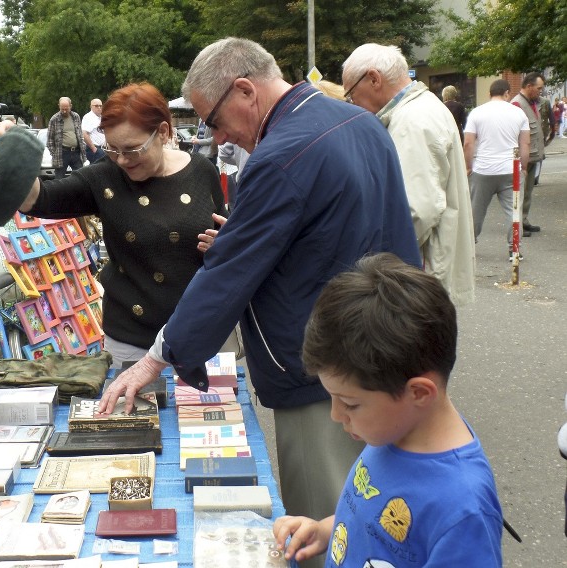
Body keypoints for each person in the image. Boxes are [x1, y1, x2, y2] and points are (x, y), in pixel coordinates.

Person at [97, 39, 420, 568]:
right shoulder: (359, 122)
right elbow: (367, 230)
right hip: (387, 352)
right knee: (380, 507)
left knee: (327, 525)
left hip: (322, 370)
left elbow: (228, 276)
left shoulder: (280, 154)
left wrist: (157, 359)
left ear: (244, 89)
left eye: (216, 121)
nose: (219, 137)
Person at [272, 253, 503, 567]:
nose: (336, 415)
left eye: (350, 404)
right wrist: (325, 530)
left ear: (418, 393)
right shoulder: (395, 429)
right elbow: (373, 511)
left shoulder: (462, 511)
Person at [0, 83, 225, 368]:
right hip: (132, 341)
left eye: (132, 149)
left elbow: (226, 237)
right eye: (113, 148)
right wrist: (9, 153)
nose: (122, 160)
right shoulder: (105, 177)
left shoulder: (202, 171)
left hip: (199, 333)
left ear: (163, 132)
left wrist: (224, 245)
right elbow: (39, 198)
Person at [343, 43, 475, 307]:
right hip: (424, 270)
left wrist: (371, 262)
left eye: (351, 93)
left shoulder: (412, 122)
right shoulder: (421, 109)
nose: (352, 102)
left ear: (373, 79)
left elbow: (415, 211)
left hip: (415, 275)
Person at [463, 79, 530, 260]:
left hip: (483, 168)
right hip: (510, 169)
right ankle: (514, 249)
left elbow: (468, 143)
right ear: (507, 93)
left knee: (476, 210)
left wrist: (468, 166)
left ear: (490, 94)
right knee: (513, 210)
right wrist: (524, 166)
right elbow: (525, 143)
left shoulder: (477, 113)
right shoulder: (519, 114)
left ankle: (470, 245)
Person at [511, 72, 546, 233]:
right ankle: (517, 224)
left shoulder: (533, 103)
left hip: (533, 155)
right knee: (520, 192)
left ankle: (523, 219)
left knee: (528, 192)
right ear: (529, 86)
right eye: (538, 88)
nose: (540, 91)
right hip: (524, 156)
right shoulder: (517, 104)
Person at [47, 97, 86, 179]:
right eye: (62, 109)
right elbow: (50, 140)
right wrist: (54, 153)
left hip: (76, 152)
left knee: (82, 177)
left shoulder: (76, 117)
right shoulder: (54, 119)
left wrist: (83, 146)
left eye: (66, 109)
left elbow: (80, 134)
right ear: (59, 106)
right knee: (59, 179)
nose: (64, 111)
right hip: (62, 154)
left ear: (70, 106)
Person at [82, 98, 106, 163]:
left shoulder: (101, 118)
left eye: (100, 106)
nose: (99, 108)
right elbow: (84, 134)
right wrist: (94, 149)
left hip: (103, 149)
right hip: (94, 149)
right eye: (96, 106)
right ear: (91, 106)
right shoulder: (88, 117)